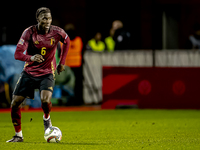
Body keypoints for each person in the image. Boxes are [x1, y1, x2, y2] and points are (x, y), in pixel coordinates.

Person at [6, 7, 70, 142]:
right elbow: (17, 54)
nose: (48, 21)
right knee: (15, 103)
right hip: (29, 73)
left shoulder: (57, 32)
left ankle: (46, 118)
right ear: (38, 19)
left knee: (46, 100)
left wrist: (61, 62)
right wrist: (31, 58)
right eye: (44, 18)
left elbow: (67, 41)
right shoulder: (28, 33)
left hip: (47, 72)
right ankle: (18, 135)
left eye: (49, 18)